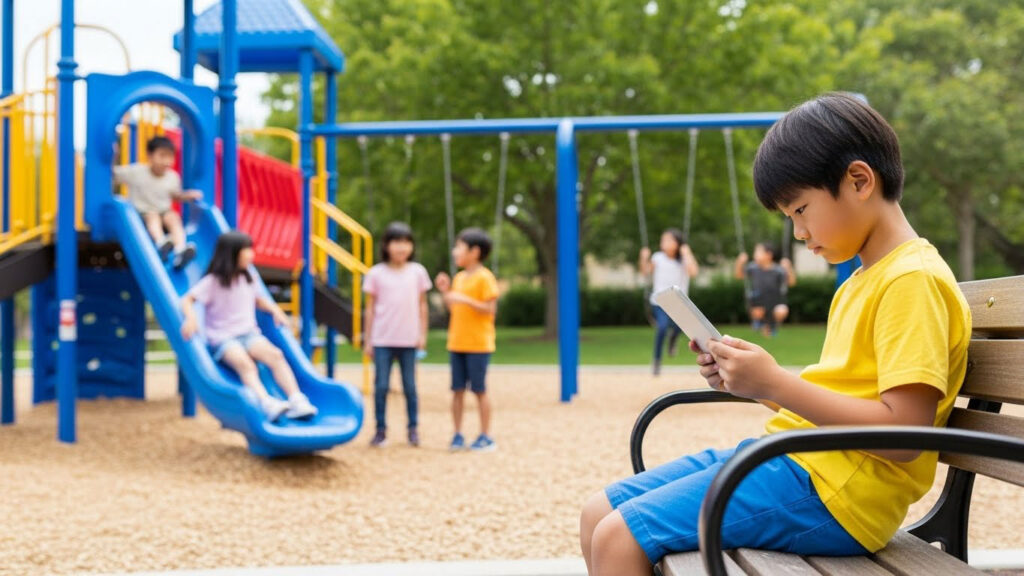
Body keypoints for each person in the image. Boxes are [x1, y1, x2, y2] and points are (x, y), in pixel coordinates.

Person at [579, 93, 971, 576]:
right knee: (598, 512)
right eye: (790, 218)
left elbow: (902, 434)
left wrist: (776, 384)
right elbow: (843, 402)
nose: (799, 232)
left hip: (837, 492)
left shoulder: (911, 280)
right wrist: (753, 383)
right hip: (802, 465)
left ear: (859, 180)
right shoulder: (862, 281)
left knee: (620, 537)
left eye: (801, 209)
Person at [180, 231, 317, 422]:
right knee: (246, 365)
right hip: (223, 339)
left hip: (249, 334)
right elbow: (187, 299)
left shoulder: (249, 277)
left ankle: (297, 400)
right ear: (232, 253)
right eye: (247, 250)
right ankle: (266, 403)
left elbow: (260, 300)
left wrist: (275, 310)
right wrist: (191, 318)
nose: (252, 255)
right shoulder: (213, 281)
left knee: (275, 355)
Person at [362, 222, 432, 448]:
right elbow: (370, 308)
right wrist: (368, 338)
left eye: (406, 242)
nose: (401, 248)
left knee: (410, 388)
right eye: (396, 242)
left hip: (408, 339)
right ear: (387, 245)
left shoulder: (417, 272)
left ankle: (413, 428)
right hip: (382, 339)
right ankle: (380, 429)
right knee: (381, 386)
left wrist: (423, 334)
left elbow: (422, 305)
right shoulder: (376, 273)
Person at [434, 228, 499, 453]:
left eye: (459, 247)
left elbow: (490, 310)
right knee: (457, 390)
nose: (455, 252)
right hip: (457, 343)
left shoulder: (485, 277)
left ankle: (485, 435)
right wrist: (446, 291)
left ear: (475, 251)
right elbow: (453, 307)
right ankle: (458, 434)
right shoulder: (459, 278)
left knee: (479, 390)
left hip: (479, 344)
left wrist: (463, 298)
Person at [113, 136, 203, 269]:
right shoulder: (136, 171)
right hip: (142, 213)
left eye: (170, 157)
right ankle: (161, 243)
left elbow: (175, 195)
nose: (166, 161)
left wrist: (188, 195)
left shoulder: (172, 176)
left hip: (164, 211)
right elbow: (113, 174)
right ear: (149, 155)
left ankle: (180, 250)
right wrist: (113, 156)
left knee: (173, 217)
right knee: (152, 217)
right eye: (162, 156)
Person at [638, 229, 699, 376]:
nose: (663, 243)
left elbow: (693, 272)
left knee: (682, 328)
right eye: (663, 240)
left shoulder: (683, 259)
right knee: (663, 327)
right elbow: (645, 271)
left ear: (677, 243)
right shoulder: (657, 257)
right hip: (660, 300)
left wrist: (687, 253)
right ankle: (657, 361)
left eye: (668, 240)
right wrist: (643, 257)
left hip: (678, 301)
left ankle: (673, 339)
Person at [735, 242, 796, 337]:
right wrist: (740, 262)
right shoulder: (753, 268)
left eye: (758, 252)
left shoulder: (778, 270)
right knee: (758, 311)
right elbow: (739, 275)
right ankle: (760, 323)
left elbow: (791, 282)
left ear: (769, 255)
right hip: (758, 302)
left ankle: (772, 325)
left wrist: (788, 268)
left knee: (782, 311)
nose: (755, 254)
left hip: (775, 302)